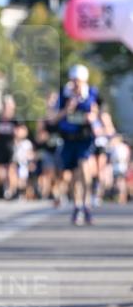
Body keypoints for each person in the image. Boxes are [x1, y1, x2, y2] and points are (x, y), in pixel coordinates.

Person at [51, 64, 101, 225]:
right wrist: (67, 109)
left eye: (78, 81)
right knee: (73, 175)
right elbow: (53, 119)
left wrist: (92, 117)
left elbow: (97, 112)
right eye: (73, 80)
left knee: (84, 170)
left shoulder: (91, 94)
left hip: (84, 139)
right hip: (68, 139)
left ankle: (86, 205)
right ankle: (77, 205)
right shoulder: (64, 95)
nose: (76, 84)